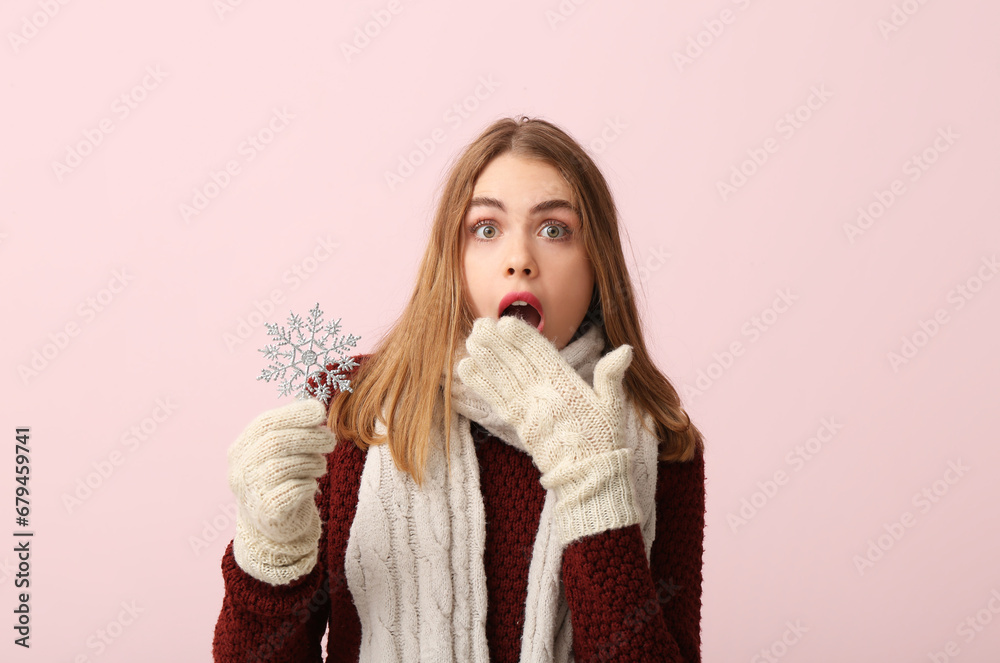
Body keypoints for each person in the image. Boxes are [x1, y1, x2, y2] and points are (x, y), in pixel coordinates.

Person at [212, 116, 706, 662]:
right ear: (454, 257)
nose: (519, 259)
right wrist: (269, 553)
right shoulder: (354, 409)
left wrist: (596, 487)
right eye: (486, 229)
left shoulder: (660, 439)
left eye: (555, 229)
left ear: (597, 264)